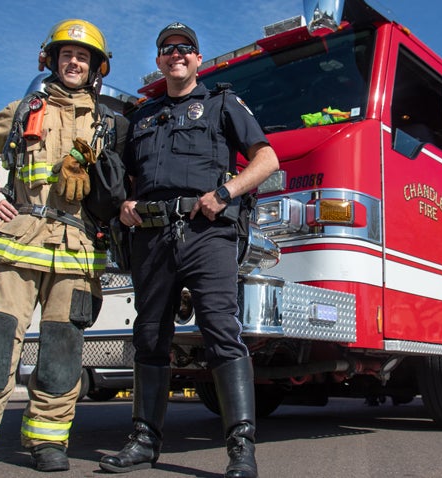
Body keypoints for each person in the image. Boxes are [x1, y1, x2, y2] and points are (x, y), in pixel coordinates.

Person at [0, 19, 117, 477]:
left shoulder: (111, 122)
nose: (73, 62)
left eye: (83, 57)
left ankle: (48, 441)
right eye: (66, 54)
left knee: (62, 352)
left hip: (78, 251)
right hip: (17, 243)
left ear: (96, 68)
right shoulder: (23, 109)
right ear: (50, 60)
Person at [99, 22, 279, 478]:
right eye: (166, 49)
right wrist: (123, 205)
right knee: (149, 335)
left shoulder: (222, 103)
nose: (175, 54)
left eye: (185, 48)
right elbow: (123, 181)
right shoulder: (141, 116)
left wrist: (226, 192)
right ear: (158, 61)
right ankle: (143, 442)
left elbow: (267, 159)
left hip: (207, 233)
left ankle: (241, 449)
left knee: (221, 329)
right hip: (151, 237)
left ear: (198, 58)